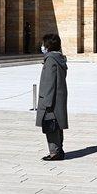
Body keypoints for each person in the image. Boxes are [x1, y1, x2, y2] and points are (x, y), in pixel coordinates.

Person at [36, 33, 69, 161]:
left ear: (48, 45)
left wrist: (46, 103)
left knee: (51, 127)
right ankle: (59, 150)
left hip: (51, 99)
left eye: (43, 44)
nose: (42, 46)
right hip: (58, 97)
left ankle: (54, 153)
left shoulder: (50, 60)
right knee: (57, 125)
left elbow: (49, 82)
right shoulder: (58, 58)